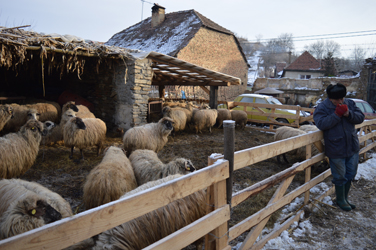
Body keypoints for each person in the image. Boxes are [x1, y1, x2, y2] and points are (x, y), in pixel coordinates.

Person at [313, 83, 364, 211]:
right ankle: (340, 199)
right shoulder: (322, 107)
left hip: (352, 146)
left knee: (351, 173)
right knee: (340, 176)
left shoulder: (350, 103)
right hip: (336, 147)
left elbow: (361, 117)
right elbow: (321, 124)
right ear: (330, 98)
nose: (340, 101)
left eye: (342, 98)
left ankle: (345, 198)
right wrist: (336, 115)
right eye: (337, 100)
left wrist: (348, 113)